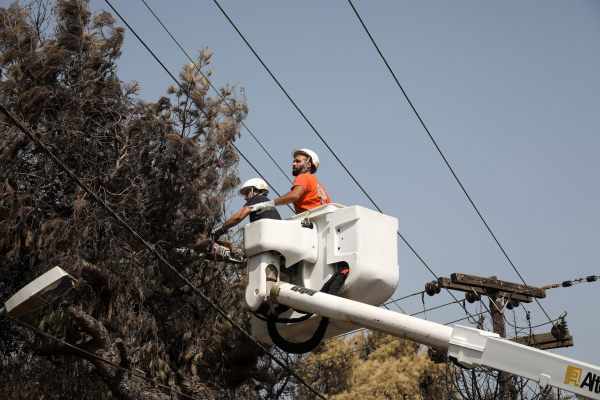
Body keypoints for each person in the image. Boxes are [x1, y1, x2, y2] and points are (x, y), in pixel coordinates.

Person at [250, 149, 330, 215]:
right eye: (294, 161)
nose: (293, 164)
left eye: (297, 161)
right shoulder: (316, 183)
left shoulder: (303, 177)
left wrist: (268, 204)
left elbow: (295, 195)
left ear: (308, 164)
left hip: (312, 220)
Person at [211, 178, 281, 241]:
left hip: (266, 241)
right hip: (275, 242)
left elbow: (238, 217)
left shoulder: (257, 198)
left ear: (256, 191)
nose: (245, 198)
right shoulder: (270, 207)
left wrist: (219, 230)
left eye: (247, 193)